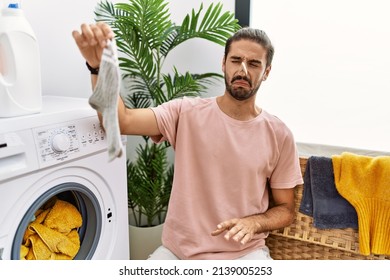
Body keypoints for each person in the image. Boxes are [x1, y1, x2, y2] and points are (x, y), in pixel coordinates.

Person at [72, 22, 304, 260]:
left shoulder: (279, 134)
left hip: (244, 254)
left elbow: (285, 210)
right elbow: (122, 121)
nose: (243, 70)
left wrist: (255, 222)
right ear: (224, 64)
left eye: (254, 63)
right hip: (178, 254)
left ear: (266, 72)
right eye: (236, 60)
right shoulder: (185, 112)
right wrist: (99, 68)